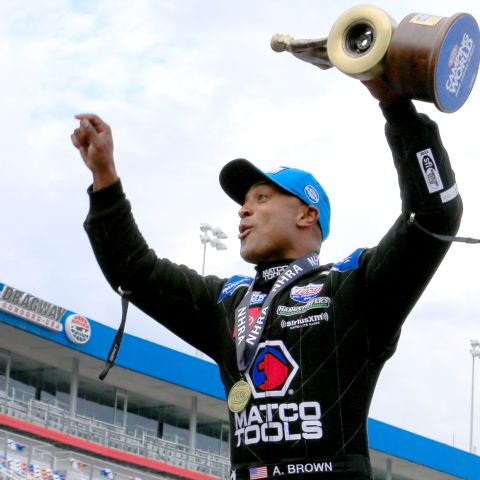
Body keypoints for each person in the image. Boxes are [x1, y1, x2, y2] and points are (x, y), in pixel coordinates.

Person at [71, 77, 462, 480]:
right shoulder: (226, 301)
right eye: (243, 203)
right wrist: (104, 180)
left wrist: (397, 108)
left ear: (306, 214)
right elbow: (134, 270)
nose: (243, 211)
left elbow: (434, 215)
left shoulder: (354, 287)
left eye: (261, 198)